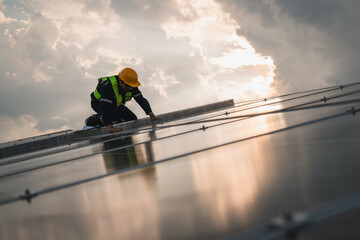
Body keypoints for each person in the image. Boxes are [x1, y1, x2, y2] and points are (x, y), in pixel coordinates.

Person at [85, 67, 161, 132]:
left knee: (132, 119)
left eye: (131, 86)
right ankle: (93, 119)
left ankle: (112, 120)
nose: (130, 88)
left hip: (115, 103)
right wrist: (109, 126)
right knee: (113, 120)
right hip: (99, 103)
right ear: (120, 81)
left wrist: (152, 115)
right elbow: (105, 107)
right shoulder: (108, 87)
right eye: (128, 86)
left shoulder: (131, 85)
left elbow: (141, 100)